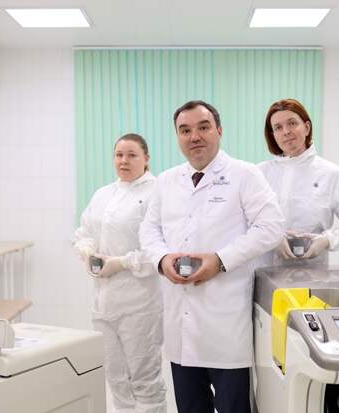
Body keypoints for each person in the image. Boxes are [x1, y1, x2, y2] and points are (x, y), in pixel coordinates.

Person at [139, 100, 284, 413]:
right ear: (178, 137)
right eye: (185, 130)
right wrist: (162, 259)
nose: (194, 136)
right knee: (190, 407)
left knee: (234, 408)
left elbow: (271, 227)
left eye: (203, 127)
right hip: (180, 325)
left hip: (226, 326)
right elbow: (148, 230)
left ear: (219, 130)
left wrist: (220, 260)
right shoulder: (166, 181)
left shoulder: (245, 174)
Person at [73, 133, 166, 413]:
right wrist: (87, 251)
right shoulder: (104, 194)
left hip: (139, 305)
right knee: (115, 379)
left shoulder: (157, 193)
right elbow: (84, 231)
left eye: (131, 155)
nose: (124, 161)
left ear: (146, 158)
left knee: (145, 381)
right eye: (119, 155)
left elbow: (160, 251)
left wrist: (122, 263)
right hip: (104, 304)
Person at [259, 98, 339, 266]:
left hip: (312, 273)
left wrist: (328, 240)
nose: (286, 131)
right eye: (278, 127)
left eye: (292, 123)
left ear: (306, 127)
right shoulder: (260, 173)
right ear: (273, 135)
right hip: (261, 271)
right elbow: (242, 221)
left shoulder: (331, 174)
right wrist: (271, 236)